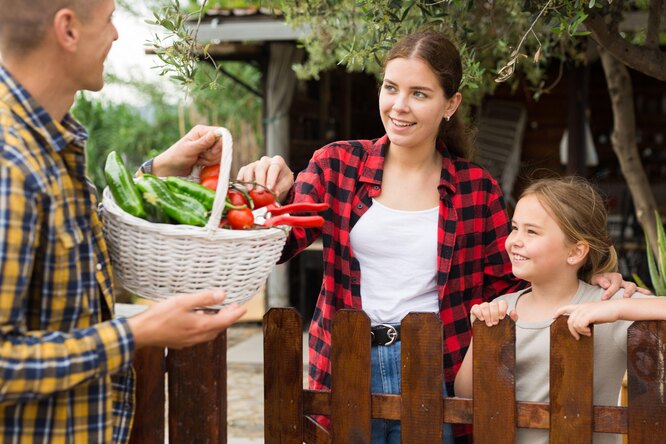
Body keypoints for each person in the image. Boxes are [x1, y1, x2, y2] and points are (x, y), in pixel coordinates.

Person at [232, 31, 647, 444]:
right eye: (391, 88)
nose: (399, 106)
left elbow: (517, 282)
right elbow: (276, 244)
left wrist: (590, 282)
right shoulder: (336, 165)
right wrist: (269, 197)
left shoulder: (475, 188)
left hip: (439, 366)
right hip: (346, 362)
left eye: (419, 94)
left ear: (450, 104)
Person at [0, 1, 245, 443]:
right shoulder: (10, 164)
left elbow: (70, 244)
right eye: (109, 19)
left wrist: (157, 176)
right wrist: (135, 332)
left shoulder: (49, 144)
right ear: (68, 29)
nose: (116, 36)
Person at [453, 176, 655, 443]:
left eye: (532, 231)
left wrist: (617, 310)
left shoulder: (606, 305)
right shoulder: (506, 306)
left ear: (575, 252)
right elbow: (466, 395)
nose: (515, 240)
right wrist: (480, 336)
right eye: (514, 228)